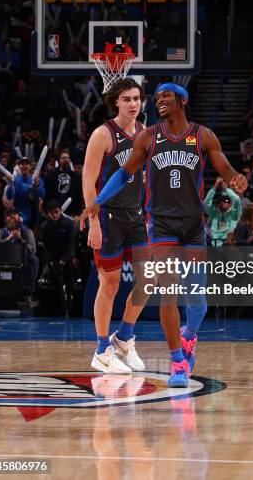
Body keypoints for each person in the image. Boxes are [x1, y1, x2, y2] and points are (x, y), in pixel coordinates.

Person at [80, 83, 247, 387]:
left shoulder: (202, 135)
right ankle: (176, 361)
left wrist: (235, 178)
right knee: (161, 292)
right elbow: (122, 174)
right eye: (154, 98)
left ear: (182, 100)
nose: (158, 102)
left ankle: (179, 337)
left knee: (197, 302)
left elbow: (223, 166)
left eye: (164, 98)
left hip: (191, 225)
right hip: (158, 225)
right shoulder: (146, 136)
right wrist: (97, 203)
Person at [83, 78, 149, 375]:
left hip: (136, 217)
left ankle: (123, 337)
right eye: (127, 99)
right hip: (108, 218)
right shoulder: (103, 134)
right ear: (116, 102)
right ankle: (101, 350)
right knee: (108, 284)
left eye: (136, 99)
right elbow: (88, 180)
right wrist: (93, 223)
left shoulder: (146, 135)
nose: (133, 104)